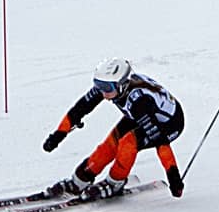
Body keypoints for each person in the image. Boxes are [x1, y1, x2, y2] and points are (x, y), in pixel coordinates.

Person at [42, 58, 186, 201]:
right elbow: (79, 110)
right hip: (138, 115)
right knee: (111, 143)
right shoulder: (109, 88)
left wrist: (173, 176)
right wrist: (58, 135)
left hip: (169, 124)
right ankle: (79, 180)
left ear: (121, 85)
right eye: (98, 84)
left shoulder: (139, 102)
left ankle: (115, 182)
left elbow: (160, 142)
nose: (102, 92)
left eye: (106, 88)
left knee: (128, 143)